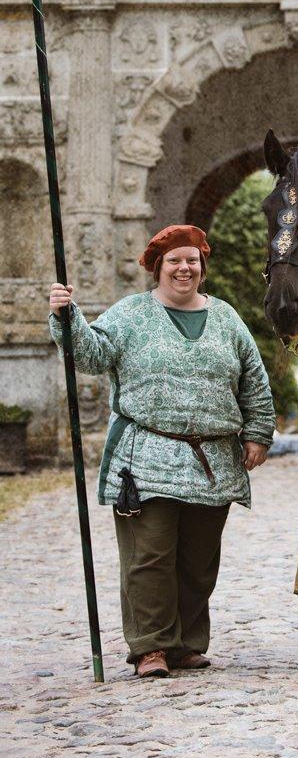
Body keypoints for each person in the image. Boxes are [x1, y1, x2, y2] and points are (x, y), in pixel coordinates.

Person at [49, 224, 276, 677]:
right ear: (158, 267)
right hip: (145, 455)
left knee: (197, 560)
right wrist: (67, 316)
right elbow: (92, 356)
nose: (183, 268)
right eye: (174, 260)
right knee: (149, 555)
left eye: (191, 260)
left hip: (213, 461)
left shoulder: (227, 318)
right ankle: (151, 647)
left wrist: (258, 432)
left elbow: (253, 378)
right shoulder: (131, 314)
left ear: (202, 268)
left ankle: (186, 644)